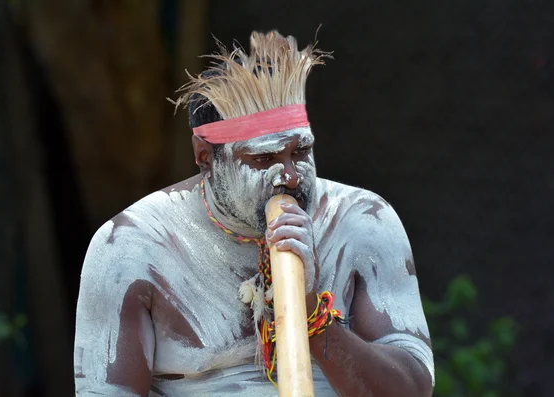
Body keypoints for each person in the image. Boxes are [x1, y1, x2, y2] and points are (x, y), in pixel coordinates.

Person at [74, 30, 434, 397]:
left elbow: (413, 391)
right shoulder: (132, 245)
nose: (290, 176)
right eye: (264, 159)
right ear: (205, 157)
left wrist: (313, 316)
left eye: (301, 151)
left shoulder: (363, 221)